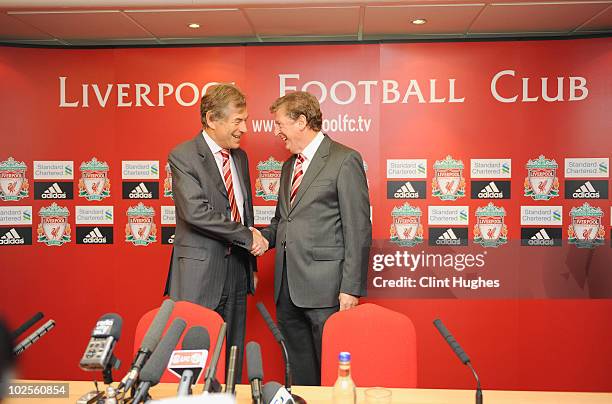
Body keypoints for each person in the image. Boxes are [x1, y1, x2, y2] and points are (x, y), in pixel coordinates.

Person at [258, 91, 372, 385]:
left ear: (301, 121)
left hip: (327, 290)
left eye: (279, 123)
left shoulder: (344, 159)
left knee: (333, 372)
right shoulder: (287, 167)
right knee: (299, 374)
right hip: (287, 289)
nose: (276, 130)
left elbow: (358, 228)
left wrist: (351, 287)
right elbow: (282, 222)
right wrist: (257, 238)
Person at [164, 84, 268, 382]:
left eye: (245, 120)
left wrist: (251, 264)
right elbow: (195, 212)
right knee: (197, 359)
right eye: (238, 121)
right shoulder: (184, 155)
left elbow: (244, 214)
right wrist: (249, 238)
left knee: (233, 355)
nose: (244, 129)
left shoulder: (240, 157)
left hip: (237, 269)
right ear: (212, 119)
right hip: (201, 273)